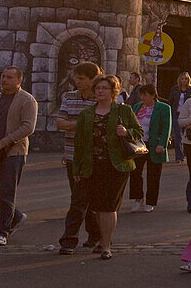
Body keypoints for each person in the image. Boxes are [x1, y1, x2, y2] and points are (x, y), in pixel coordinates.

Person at [72, 75, 144, 259]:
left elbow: (139, 132)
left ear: (113, 91)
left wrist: (126, 132)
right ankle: (104, 239)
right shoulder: (86, 114)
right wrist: (77, 169)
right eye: (98, 88)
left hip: (116, 165)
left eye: (105, 88)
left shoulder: (123, 110)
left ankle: (106, 246)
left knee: (109, 206)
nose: (101, 91)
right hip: (92, 165)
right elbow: (79, 143)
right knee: (96, 206)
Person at [0, 65, 37, 246]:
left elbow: (28, 127)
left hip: (14, 152)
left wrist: (5, 141)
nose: (5, 80)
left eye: (10, 77)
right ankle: (16, 216)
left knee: (7, 192)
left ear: (19, 80)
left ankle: (1, 232)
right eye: (3, 76)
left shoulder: (27, 100)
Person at [56, 61, 103, 254]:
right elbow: (60, 123)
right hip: (71, 156)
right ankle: (94, 234)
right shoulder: (68, 97)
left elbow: (100, 125)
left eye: (81, 78)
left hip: (94, 157)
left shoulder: (100, 98)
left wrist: (73, 123)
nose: (77, 81)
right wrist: (82, 122)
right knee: (82, 197)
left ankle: (69, 240)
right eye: (76, 77)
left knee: (80, 199)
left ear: (93, 80)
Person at [129, 84, 171, 212]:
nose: (143, 97)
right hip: (139, 143)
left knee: (153, 174)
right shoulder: (137, 107)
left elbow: (166, 127)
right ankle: (138, 197)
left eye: (145, 95)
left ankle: (151, 200)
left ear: (153, 95)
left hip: (154, 143)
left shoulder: (163, 108)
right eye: (141, 95)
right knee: (135, 172)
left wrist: (162, 144)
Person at [169, 72, 191, 165]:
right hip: (177, 114)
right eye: (182, 79)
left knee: (187, 135)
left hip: (187, 115)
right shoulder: (175, 89)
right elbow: (171, 102)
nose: (184, 81)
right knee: (178, 135)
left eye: (186, 79)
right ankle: (179, 156)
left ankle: (186, 154)